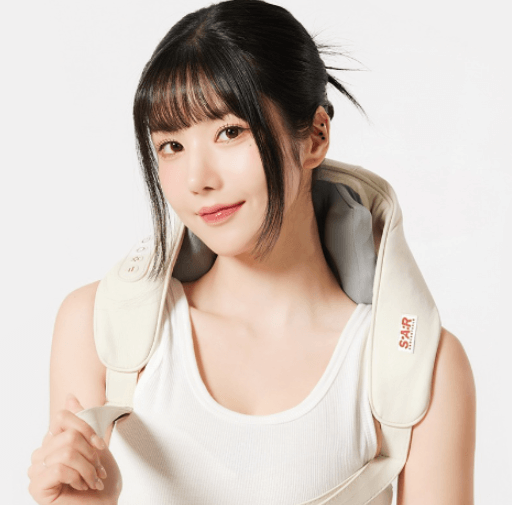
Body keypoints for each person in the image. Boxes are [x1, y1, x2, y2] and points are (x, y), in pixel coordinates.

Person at [27, 1, 476, 504]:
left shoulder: (422, 367)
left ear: (316, 136)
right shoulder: (98, 328)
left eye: (230, 132)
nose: (198, 179)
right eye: (171, 145)